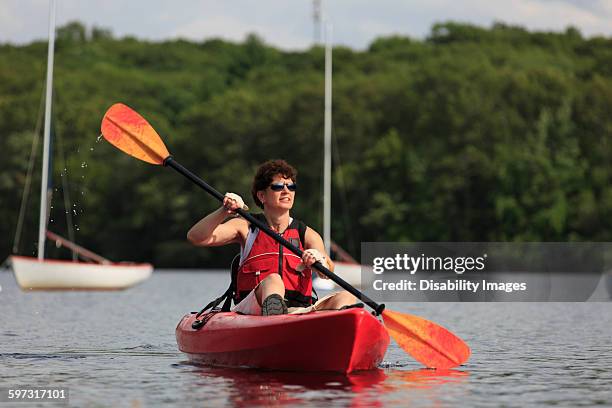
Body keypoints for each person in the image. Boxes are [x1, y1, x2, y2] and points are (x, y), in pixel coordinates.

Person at [187, 159, 357, 316]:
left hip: (299, 310)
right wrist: (224, 211)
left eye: (291, 187)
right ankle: (274, 313)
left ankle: (343, 327)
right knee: (274, 280)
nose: (286, 191)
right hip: (253, 307)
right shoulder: (246, 226)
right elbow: (196, 237)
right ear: (262, 196)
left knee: (347, 297)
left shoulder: (307, 234)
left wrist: (319, 260)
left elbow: (327, 272)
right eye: (278, 187)